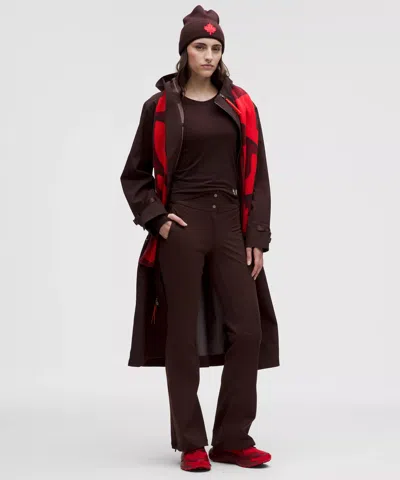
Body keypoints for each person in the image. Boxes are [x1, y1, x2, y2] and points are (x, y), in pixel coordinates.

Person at [120, 4, 280, 472]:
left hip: (230, 222)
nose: (209, 55)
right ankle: (191, 442)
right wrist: (157, 219)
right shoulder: (159, 108)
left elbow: (259, 177)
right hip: (183, 223)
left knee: (247, 330)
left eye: (215, 47)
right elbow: (134, 175)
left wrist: (257, 236)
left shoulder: (241, 105)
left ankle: (232, 439)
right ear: (184, 51)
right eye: (199, 47)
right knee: (181, 335)